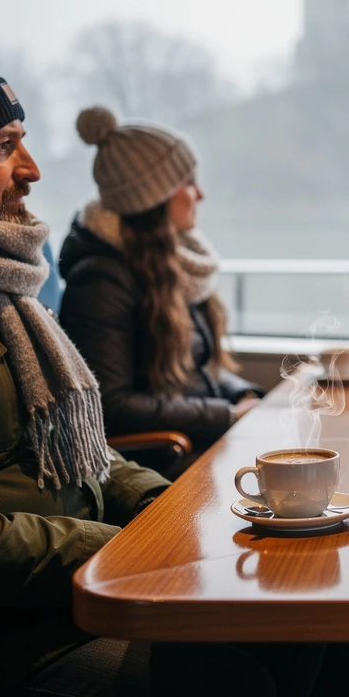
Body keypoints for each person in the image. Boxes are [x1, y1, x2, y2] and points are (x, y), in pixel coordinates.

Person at [0, 56, 317, 697]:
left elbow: (81, 442)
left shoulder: (3, 289)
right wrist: (109, 550)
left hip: (77, 585)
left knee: (290, 625)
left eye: (23, 140)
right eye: (2, 147)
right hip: (5, 633)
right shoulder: (57, 284)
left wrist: (159, 511)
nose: (31, 168)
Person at [58, 107, 262, 456]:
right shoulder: (99, 283)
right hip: (169, 454)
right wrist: (226, 415)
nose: (200, 194)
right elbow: (112, 405)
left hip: (203, 435)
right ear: (154, 198)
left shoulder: (172, 263)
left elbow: (195, 371)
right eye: (189, 182)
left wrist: (245, 395)